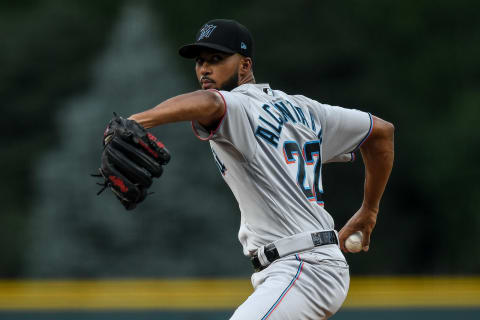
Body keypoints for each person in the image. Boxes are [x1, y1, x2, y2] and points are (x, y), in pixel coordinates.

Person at [129, 19, 394, 320]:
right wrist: (369, 210)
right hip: (298, 268)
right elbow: (381, 132)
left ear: (244, 66)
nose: (204, 69)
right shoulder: (306, 110)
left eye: (216, 59)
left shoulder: (239, 106)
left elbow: (209, 102)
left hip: (303, 268)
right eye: (200, 61)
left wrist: (139, 121)